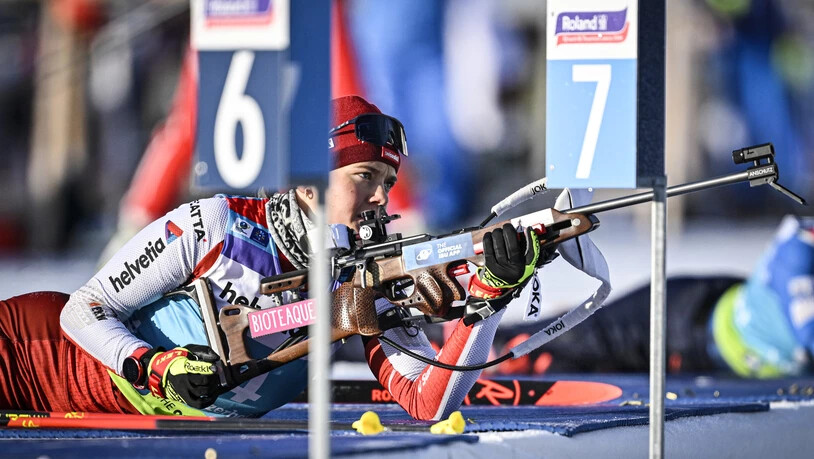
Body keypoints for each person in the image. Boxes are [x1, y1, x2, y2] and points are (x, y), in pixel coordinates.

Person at [0, 95, 542, 420]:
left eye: (389, 181)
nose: (382, 197)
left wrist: (489, 298)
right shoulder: (215, 225)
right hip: (30, 358)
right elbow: (82, 310)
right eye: (364, 177)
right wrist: (155, 365)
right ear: (309, 184)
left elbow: (430, 402)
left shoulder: (368, 277)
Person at [488, 215, 814, 378]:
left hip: (707, 351)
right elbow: (796, 239)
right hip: (688, 319)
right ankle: (462, 345)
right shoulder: (801, 245)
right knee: (554, 339)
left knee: (586, 367)